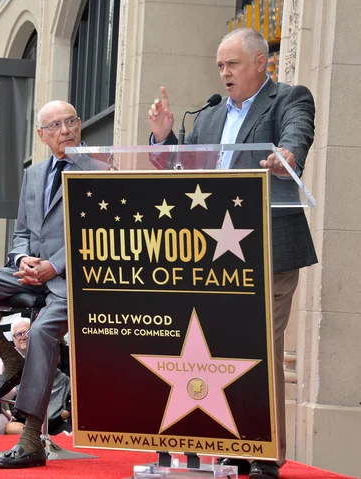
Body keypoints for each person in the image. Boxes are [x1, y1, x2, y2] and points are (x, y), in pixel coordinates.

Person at [147, 28, 317, 479]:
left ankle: (265, 453)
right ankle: (234, 444)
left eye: (232, 64)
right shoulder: (207, 116)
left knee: (260, 344)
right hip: (211, 254)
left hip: (268, 245)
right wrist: (165, 140)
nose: (223, 72)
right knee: (219, 350)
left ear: (261, 63)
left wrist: (288, 156)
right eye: (220, 65)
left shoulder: (289, 98)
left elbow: (296, 136)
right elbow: (184, 172)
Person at [0, 100, 108, 468]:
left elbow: (99, 232)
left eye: (70, 121)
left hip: (75, 279)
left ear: (80, 124)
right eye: (55, 125)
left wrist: (54, 265)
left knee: (40, 334)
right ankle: (8, 359)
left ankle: (31, 437)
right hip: (29, 273)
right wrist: (22, 259)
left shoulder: (99, 169)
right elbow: (21, 232)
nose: (65, 130)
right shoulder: (34, 174)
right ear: (42, 135)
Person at [5, 317, 71, 436]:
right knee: (11, 428)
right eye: (19, 334)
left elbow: (72, 403)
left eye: (27, 332)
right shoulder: (11, 365)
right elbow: (11, 402)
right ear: (13, 341)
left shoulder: (62, 375)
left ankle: (45, 437)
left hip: (56, 421)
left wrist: (56, 418)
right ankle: (40, 436)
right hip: (26, 422)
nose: (24, 336)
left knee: (74, 433)